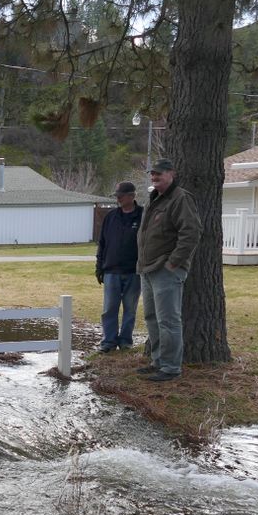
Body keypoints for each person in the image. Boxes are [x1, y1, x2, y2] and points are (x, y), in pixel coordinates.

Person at [136, 159, 201, 382]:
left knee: (168, 321)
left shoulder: (181, 198)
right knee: (152, 318)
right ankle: (158, 362)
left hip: (166, 271)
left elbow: (191, 233)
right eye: (152, 174)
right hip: (148, 269)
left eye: (159, 174)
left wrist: (173, 263)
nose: (154, 177)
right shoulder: (154, 199)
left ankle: (171, 368)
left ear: (172, 174)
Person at [95, 181, 142, 353]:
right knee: (109, 309)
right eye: (117, 196)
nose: (118, 199)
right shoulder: (110, 217)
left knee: (130, 309)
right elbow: (102, 244)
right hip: (111, 271)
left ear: (132, 196)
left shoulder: (143, 216)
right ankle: (108, 342)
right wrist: (99, 267)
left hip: (134, 272)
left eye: (121, 196)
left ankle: (125, 342)